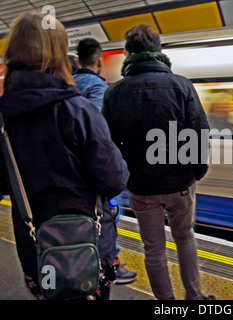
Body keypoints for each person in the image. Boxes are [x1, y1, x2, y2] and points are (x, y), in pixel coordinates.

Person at [0, 10, 129, 300]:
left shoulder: (3, 118)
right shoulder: (79, 111)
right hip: (89, 248)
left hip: (38, 251)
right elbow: (114, 179)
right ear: (58, 54)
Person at [102, 24, 213, 300]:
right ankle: (194, 297)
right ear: (158, 51)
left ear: (128, 53)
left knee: (154, 249)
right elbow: (199, 131)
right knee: (185, 238)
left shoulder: (114, 93)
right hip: (180, 183)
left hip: (141, 187)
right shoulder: (181, 85)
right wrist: (196, 173)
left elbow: (109, 145)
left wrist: (123, 179)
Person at [73, 38, 137, 285]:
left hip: (73, 171)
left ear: (78, 60)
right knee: (108, 216)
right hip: (94, 167)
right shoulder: (98, 86)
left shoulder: (69, 84)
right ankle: (110, 267)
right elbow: (98, 132)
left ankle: (83, 262)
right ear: (99, 61)